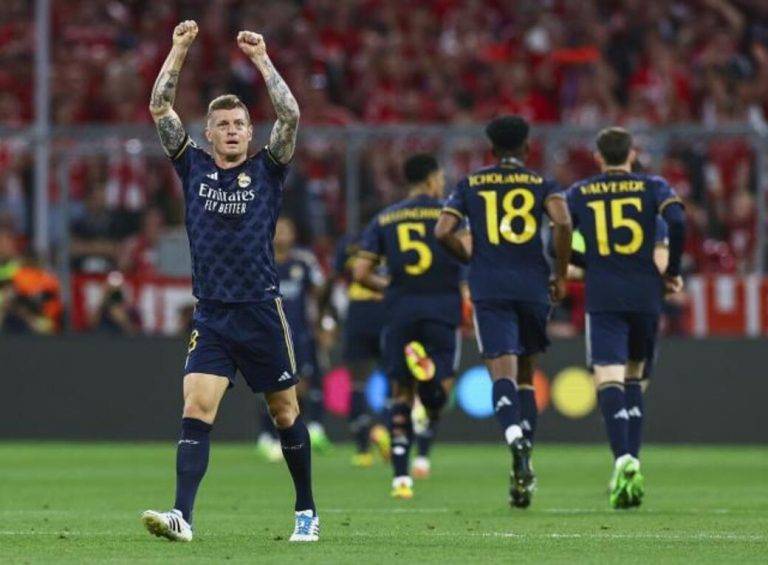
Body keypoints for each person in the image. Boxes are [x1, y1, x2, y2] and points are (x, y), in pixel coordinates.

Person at [140, 21, 319, 543]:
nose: (235, 130)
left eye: (241, 122)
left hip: (261, 309)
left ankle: (306, 509)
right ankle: (183, 518)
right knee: (196, 405)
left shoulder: (269, 168)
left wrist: (263, 60)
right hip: (213, 313)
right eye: (224, 124)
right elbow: (159, 107)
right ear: (210, 134)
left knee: (285, 411)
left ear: (249, 131)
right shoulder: (191, 166)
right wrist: (177, 49)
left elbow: (290, 114)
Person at [435, 115, 572, 509]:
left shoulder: (471, 183)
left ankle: (513, 435)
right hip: (532, 285)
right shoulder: (542, 183)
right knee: (526, 371)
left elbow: (443, 230)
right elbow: (562, 221)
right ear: (527, 147)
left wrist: (468, 254)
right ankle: (524, 461)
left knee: (501, 368)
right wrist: (560, 274)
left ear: (491, 151)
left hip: (489, 285)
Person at [564, 127, 685, 508]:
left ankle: (622, 460)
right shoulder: (653, 188)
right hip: (645, 297)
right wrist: (672, 271)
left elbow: (558, 236)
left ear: (598, 157)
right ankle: (633, 463)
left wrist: (588, 264)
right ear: (632, 154)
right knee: (636, 379)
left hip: (604, 297)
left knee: (609, 380)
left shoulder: (580, 192)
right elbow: (676, 224)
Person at [354, 154, 465, 500]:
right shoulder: (450, 215)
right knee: (437, 394)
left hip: (402, 310)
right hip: (443, 308)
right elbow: (469, 253)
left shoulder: (386, 218)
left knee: (399, 393)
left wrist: (391, 289)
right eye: (441, 178)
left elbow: (359, 273)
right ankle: (429, 383)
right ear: (432, 179)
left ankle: (401, 479)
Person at [256, 217, 331, 462]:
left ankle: (311, 430)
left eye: (287, 230)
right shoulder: (261, 261)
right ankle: (267, 437)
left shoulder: (304, 262)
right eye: (279, 230)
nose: (283, 234)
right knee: (271, 386)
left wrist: (324, 324)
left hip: (300, 334)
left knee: (304, 384)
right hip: (270, 335)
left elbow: (321, 294)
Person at [326, 230, 390, 468]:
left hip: (358, 313)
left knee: (357, 383)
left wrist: (328, 317)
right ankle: (383, 426)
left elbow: (333, 280)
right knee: (393, 377)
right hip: (385, 309)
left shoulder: (349, 242)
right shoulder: (392, 233)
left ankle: (363, 450)